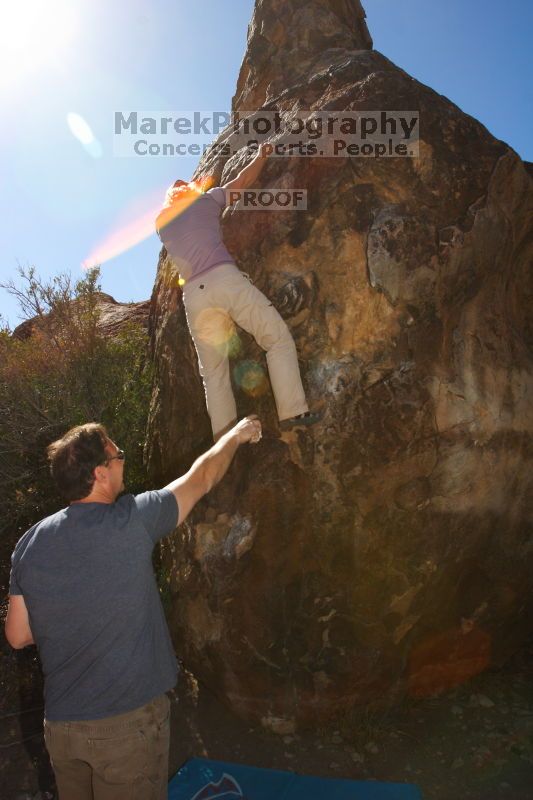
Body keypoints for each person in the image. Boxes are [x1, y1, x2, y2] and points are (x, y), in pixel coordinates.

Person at [5, 415, 262, 800]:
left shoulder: (30, 543)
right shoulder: (132, 520)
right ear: (100, 474)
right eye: (117, 455)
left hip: (62, 729)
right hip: (125, 729)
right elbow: (203, 477)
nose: (122, 461)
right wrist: (237, 435)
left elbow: (18, 635)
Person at [155, 143, 320, 440]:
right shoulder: (206, 201)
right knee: (276, 338)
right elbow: (242, 182)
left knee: (214, 374)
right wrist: (261, 155)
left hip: (194, 295)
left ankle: (226, 444)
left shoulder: (163, 225)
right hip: (224, 279)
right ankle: (293, 413)